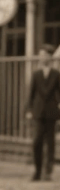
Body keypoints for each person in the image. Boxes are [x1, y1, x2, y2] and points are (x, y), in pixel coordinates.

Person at [26, 43, 60, 181]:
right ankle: (37, 171)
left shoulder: (56, 74)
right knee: (37, 141)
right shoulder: (36, 74)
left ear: (50, 57)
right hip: (38, 111)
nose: (42, 58)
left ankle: (48, 172)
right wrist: (29, 110)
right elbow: (31, 93)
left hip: (51, 111)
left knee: (50, 142)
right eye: (40, 55)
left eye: (44, 55)